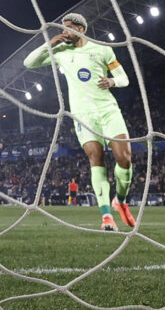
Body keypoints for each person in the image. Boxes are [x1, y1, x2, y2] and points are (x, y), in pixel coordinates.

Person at [23, 13, 136, 231]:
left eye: (68, 28)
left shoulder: (102, 49)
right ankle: (106, 217)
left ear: (81, 29)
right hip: (83, 114)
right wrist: (52, 42)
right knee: (96, 158)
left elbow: (124, 78)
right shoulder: (61, 52)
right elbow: (29, 63)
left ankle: (120, 201)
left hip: (108, 110)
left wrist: (112, 80)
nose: (64, 31)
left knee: (125, 158)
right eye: (63, 28)